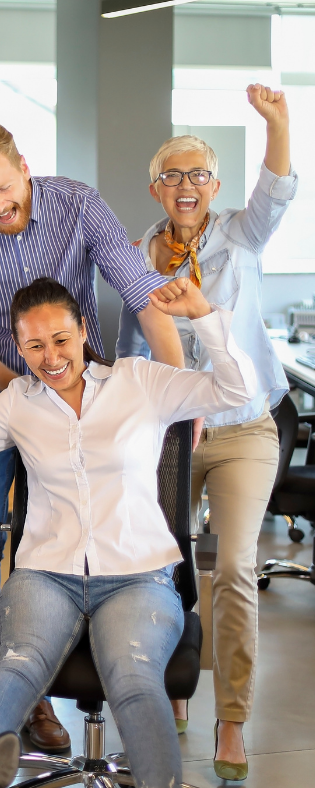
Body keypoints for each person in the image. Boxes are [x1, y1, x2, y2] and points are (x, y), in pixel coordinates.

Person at [0, 276, 257, 788]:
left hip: (138, 576)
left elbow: (236, 389)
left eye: (60, 340)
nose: (50, 357)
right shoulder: (18, 401)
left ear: (82, 330)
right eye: (34, 345)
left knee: (134, 676)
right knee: (16, 664)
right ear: (18, 347)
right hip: (46, 575)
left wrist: (203, 315)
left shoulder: (139, 381)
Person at [0, 120, 185, 743]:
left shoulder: (78, 204)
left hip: (81, 397)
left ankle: (42, 669)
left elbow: (143, 297)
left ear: (23, 164)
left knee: (65, 533)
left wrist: (175, 387)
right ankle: (7, 673)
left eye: (3, 188)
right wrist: (28, 392)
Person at [115, 84, 294, 782]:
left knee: (237, 570)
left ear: (214, 185)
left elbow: (277, 190)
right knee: (163, 570)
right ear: (155, 188)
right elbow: (133, 351)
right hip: (170, 434)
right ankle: (174, 687)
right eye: (172, 175)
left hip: (243, 429)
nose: (185, 185)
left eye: (198, 174)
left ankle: (233, 717)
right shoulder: (134, 256)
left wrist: (277, 120)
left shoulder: (242, 235)